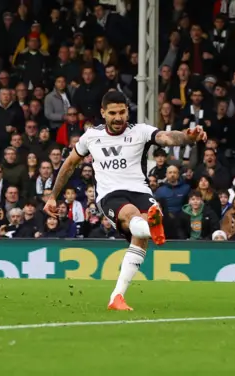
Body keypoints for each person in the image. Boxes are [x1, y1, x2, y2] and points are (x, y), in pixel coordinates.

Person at [43, 91, 206, 311]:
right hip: (111, 194)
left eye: (122, 112)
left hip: (140, 190)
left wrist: (188, 137)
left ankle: (117, 297)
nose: (118, 117)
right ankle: (150, 226)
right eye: (113, 113)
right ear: (103, 113)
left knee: (139, 235)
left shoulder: (140, 131)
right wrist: (53, 196)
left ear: (127, 111)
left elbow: (166, 138)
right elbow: (70, 164)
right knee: (131, 215)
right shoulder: (91, 136)